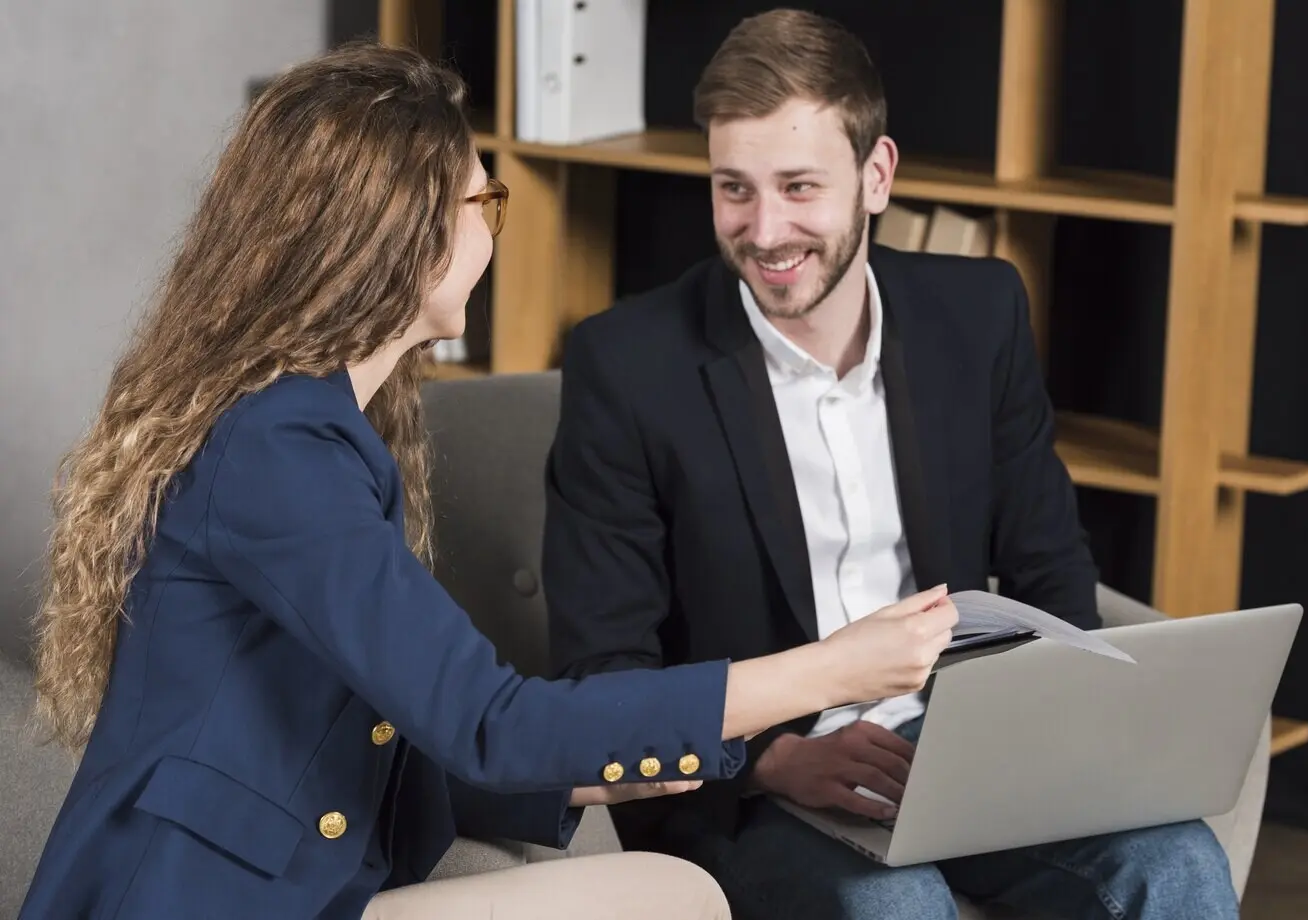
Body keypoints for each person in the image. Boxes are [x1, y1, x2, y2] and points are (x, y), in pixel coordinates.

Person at [17, 41, 961, 920]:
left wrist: (628, 763)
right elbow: (486, 722)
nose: (493, 233)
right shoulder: (278, 451)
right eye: (485, 204)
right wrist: (833, 669)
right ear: (403, 232)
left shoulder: (315, 432)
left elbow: (387, 726)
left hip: (294, 882)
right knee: (668, 900)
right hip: (195, 900)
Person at [543, 9, 1240, 920]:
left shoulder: (979, 313)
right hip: (762, 786)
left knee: (1181, 863)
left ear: (877, 176)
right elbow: (607, 672)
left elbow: (1050, 570)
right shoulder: (626, 366)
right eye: (734, 189)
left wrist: (1061, 742)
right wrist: (769, 761)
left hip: (971, 752)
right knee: (895, 907)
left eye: (799, 187)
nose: (763, 230)